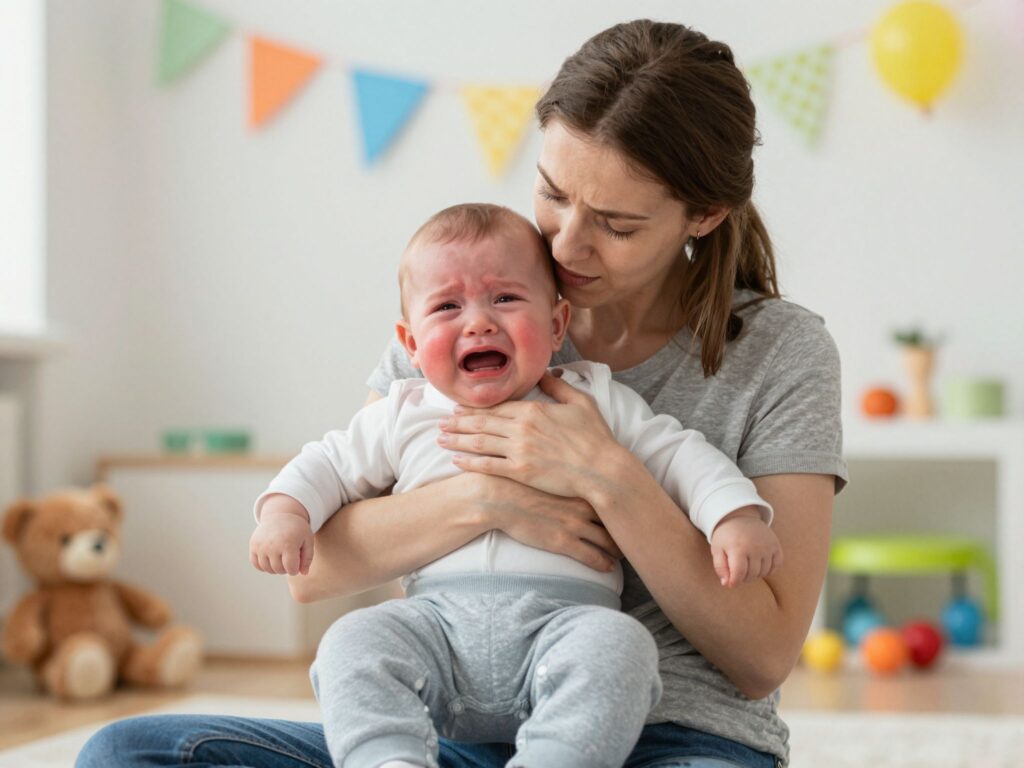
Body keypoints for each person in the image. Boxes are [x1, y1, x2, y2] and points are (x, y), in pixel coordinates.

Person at [77, 18, 846, 768]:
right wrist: (490, 500)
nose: (566, 245)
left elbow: (763, 656)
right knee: (125, 752)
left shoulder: (782, 352)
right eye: (552, 194)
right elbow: (314, 569)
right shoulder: (465, 309)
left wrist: (603, 477)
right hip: (445, 730)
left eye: (615, 224)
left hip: (678, 738)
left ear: (704, 216)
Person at [248, 203, 779, 768]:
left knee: (620, 648)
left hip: (564, 624)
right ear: (410, 342)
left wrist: (733, 515)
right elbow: (326, 463)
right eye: (447, 306)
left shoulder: (589, 398)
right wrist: (285, 513)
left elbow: (679, 455)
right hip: (436, 632)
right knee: (353, 641)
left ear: (556, 325)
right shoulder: (404, 411)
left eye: (504, 299)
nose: (477, 322)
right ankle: (389, 758)